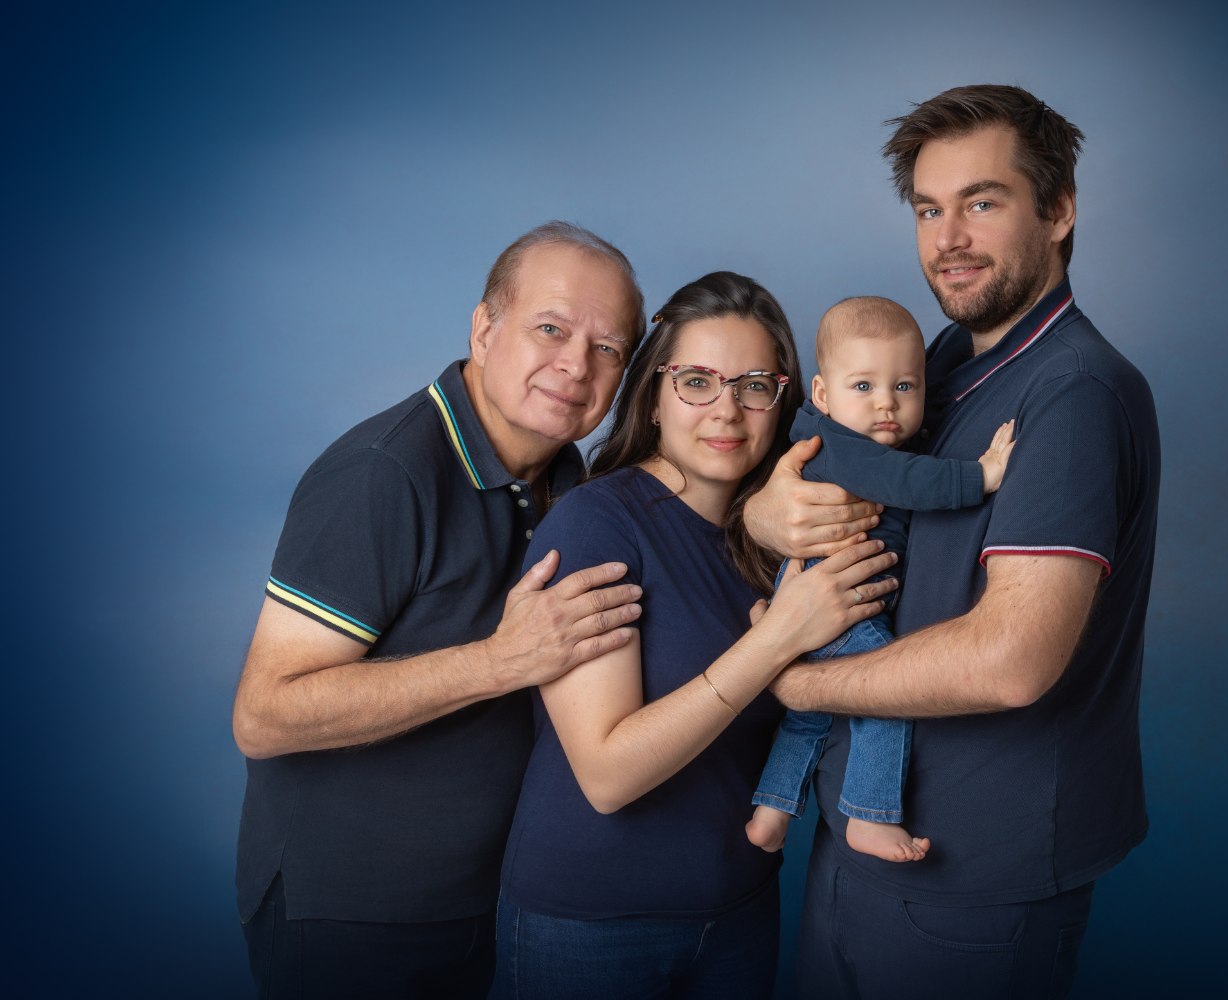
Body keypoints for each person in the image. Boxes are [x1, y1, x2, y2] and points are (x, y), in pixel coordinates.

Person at [747, 85, 1161, 997]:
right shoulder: (932, 367)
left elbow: (1012, 660)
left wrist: (791, 676)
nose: (948, 239)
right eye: (930, 210)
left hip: (973, 876)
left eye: (982, 201)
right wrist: (766, 515)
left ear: (1058, 210)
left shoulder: (1073, 391)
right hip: (853, 843)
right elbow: (826, 464)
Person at [231, 221, 650, 999]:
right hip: (355, 918)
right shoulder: (382, 474)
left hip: (485, 902)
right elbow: (264, 713)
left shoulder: (564, 470)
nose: (576, 365)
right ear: (485, 330)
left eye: (608, 349)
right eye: (551, 329)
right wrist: (502, 660)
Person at [495, 272, 899, 999]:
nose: (728, 411)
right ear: (653, 394)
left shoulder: (780, 538)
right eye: (696, 381)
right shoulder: (598, 524)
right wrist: (775, 640)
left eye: (753, 385)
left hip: (740, 913)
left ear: (786, 402)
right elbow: (607, 775)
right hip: (593, 924)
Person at [744, 296, 1015, 863]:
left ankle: (771, 810)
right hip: (836, 603)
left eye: (905, 387)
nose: (886, 406)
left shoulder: (852, 436)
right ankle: (868, 815)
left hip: (820, 602)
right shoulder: (842, 447)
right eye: (862, 388)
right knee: (884, 696)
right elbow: (908, 481)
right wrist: (981, 476)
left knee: (809, 716)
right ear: (822, 395)